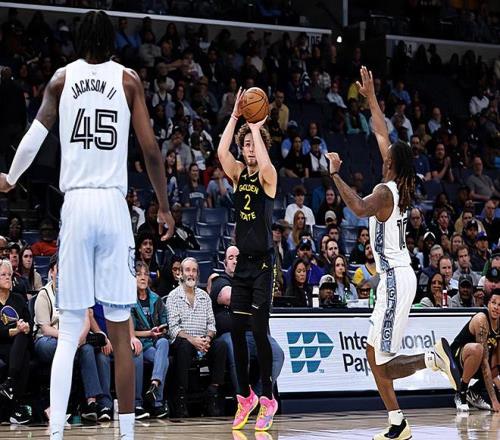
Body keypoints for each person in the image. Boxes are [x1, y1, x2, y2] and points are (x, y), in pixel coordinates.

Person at [0, 11, 175, 440]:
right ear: (111, 40)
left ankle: (55, 434)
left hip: (76, 204)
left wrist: (11, 177)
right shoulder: (128, 79)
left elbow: (35, 135)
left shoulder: (62, 79)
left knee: (69, 333)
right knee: (120, 329)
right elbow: (151, 151)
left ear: (79, 40)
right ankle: (127, 434)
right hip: (113, 206)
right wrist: (164, 207)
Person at [326, 66, 460, 440]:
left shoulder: (385, 193)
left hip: (397, 279)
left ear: (391, 163)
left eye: (387, 155)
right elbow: (381, 131)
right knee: (373, 356)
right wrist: (370, 97)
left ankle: (432, 358)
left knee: (383, 362)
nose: (382, 153)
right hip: (395, 278)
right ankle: (397, 421)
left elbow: (357, 207)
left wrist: (334, 174)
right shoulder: (395, 182)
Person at [217, 88, 279, 431]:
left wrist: (256, 127)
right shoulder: (239, 174)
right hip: (243, 264)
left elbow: (266, 165)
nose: (249, 149)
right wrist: (235, 117)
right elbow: (220, 152)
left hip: (265, 265)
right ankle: (245, 397)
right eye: (246, 145)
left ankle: (268, 397)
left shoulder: (269, 176)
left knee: (258, 329)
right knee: (237, 331)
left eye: (254, 144)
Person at [209, 246, 284, 395]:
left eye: (238, 257)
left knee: (277, 354)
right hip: (229, 334)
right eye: (230, 258)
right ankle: (243, 397)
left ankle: (258, 395)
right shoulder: (220, 280)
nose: (235, 261)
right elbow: (229, 297)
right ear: (225, 264)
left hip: (253, 333)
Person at [166, 257, 226, 418]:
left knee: (221, 345)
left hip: (203, 341)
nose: (191, 274)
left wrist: (208, 338)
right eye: (187, 270)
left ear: (198, 274)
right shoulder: (173, 297)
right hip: (184, 342)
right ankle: (181, 398)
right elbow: (174, 328)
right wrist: (193, 340)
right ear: (180, 274)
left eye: (194, 270)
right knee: (184, 346)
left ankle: (212, 393)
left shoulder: (204, 296)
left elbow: (211, 324)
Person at [450, 289, 500, 412]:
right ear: (487, 304)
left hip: (478, 362)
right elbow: (484, 362)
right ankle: (461, 392)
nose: (496, 307)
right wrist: (494, 400)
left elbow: (495, 359)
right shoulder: (481, 319)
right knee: (478, 349)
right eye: (493, 303)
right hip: (457, 359)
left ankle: (474, 392)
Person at [131, 262, 170, 418]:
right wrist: (149, 333)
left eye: (145, 274)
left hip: (155, 342)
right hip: (140, 342)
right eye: (138, 274)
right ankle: (152, 403)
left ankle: (154, 384)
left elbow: (165, 320)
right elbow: (130, 332)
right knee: (164, 361)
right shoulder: (129, 301)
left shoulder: (156, 298)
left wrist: (162, 328)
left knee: (164, 342)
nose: (142, 277)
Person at [0, 260, 32, 424]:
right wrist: (15, 330)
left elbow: (29, 322)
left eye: (9, 275)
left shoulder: (18, 299)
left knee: (23, 340)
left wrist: (26, 327)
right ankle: (15, 407)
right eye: (3, 275)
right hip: (2, 345)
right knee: (23, 355)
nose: (7, 277)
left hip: (18, 344)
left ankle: (10, 383)